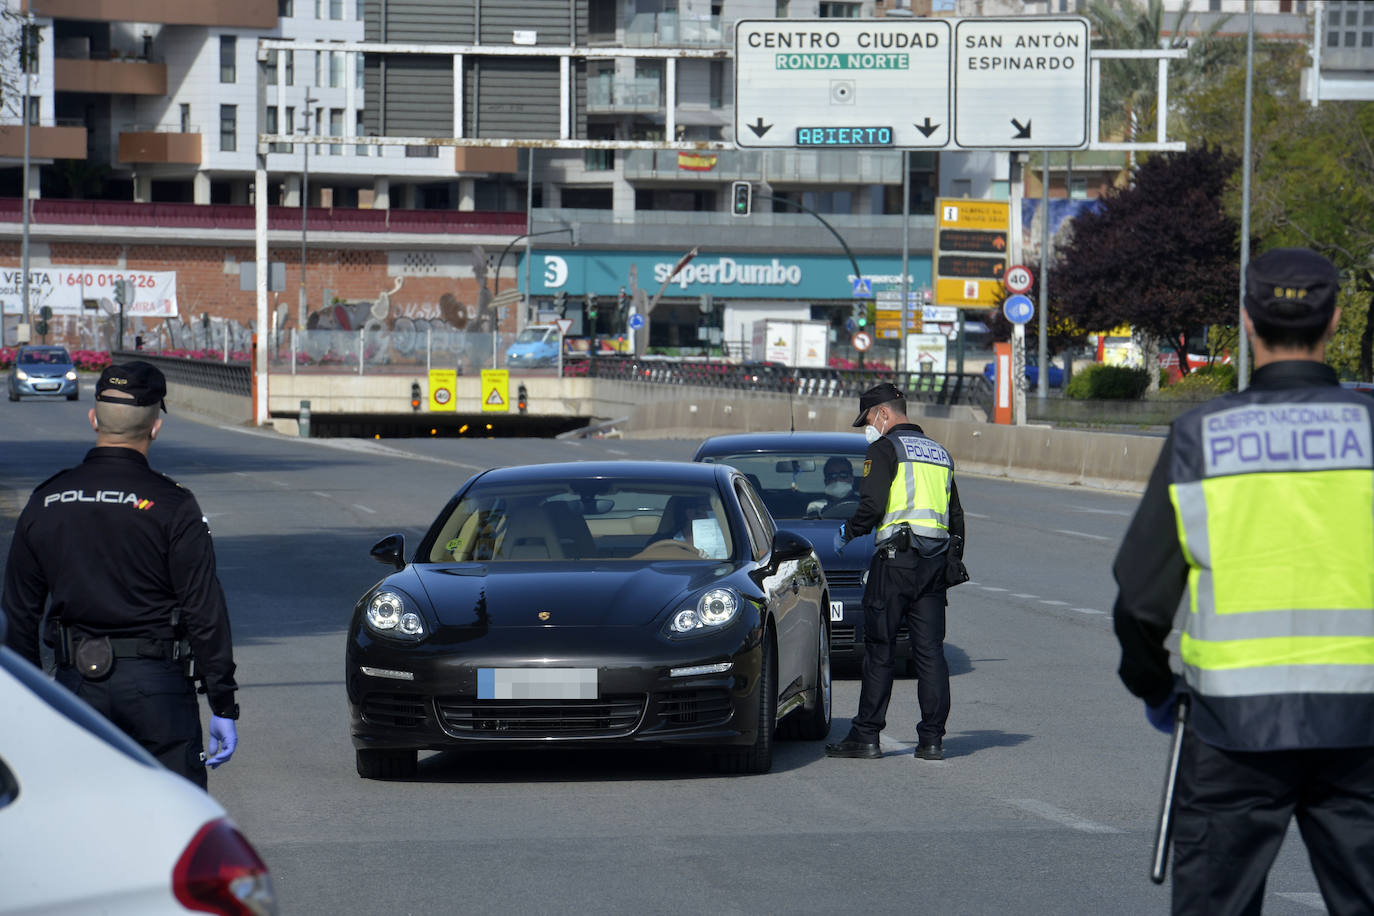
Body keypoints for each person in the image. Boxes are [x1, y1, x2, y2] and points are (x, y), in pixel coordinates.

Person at [1112, 247, 1374, 915]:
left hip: (1230, 732)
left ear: (1248, 321)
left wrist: (1157, 689)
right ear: (1336, 320)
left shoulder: (1200, 436)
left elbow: (1141, 604)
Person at [1, 361, 240, 789]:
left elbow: (18, 615)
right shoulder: (174, 505)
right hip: (158, 690)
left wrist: (33, 703)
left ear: (93, 419)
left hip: (75, 687)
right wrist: (223, 702)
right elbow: (204, 609)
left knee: (77, 821)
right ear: (155, 428)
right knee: (172, 824)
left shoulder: (46, 500)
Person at [825, 382, 965, 761]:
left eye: (869, 419)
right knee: (930, 653)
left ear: (884, 414)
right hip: (933, 566)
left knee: (881, 649)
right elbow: (956, 517)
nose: (868, 427)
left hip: (895, 564)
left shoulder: (884, 449)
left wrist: (848, 532)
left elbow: (871, 506)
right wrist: (952, 561)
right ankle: (932, 740)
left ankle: (866, 735)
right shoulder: (940, 453)